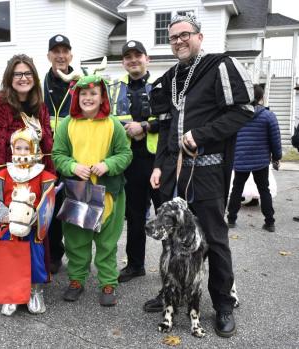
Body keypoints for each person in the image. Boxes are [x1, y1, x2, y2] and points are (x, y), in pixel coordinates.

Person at [144, 14, 254, 337]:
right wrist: (159, 165)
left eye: (184, 35)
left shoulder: (219, 67)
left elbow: (244, 112)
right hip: (177, 174)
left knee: (215, 240)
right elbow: (166, 128)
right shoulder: (170, 79)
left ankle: (222, 304)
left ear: (199, 37)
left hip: (207, 174)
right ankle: (170, 294)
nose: (178, 40)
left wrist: (201, 134)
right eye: (173, 36)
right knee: (173, 241)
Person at [0, 54, 54, 296]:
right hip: (3, 180)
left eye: (27, 74)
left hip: (35, 178)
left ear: (34, 77)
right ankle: (3, 285)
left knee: (31, 230)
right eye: (18, 74)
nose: (23, 78)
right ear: (9, 77)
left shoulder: (40, 107)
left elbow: (48, 145)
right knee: (4, 230)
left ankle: (29, 284)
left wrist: (48, 182)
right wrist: (6, 186)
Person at [52, 74, 132, 306]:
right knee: (76, 239)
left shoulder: (112, 124)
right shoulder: (67, 123)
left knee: (107, 241)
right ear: (76, 96)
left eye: (93, 93)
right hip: (77, 192)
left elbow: (125, 154)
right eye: (83, 93)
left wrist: (108, 164)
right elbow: (58, 155)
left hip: (108, 193)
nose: (88, 98)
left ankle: (108, 282)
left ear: (102, 96)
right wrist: (72, 166)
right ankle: (76, 279)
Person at [0, 127, 56, 316]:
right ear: (12, 149)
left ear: (34, 149)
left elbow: (47, 204)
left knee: (34, 261)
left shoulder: (43, 175)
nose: (22, 152)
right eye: (18, 148)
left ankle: (35, 292)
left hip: (32, 229)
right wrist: (7, 216)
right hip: (9, 228)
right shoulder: (5, 173)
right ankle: (11, 294)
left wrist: (34, 219)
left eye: (26, 148)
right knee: (10, 260)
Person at [109, 40, 161, 282]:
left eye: (137, 55)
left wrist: (145, 126)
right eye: (128, 57)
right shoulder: (114, 88)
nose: (133, 60)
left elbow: (172, 119)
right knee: (135, 215)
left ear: (147, 59)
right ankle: (135, 264)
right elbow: (107, 121)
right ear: (123, 62)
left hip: (158, 161)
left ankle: (171, 265)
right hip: (130, 162)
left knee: (166, 215)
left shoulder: (160, 86)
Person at [227, 84, 282, 232]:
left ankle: (231, 220)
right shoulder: (268, 115)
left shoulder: (238, 115)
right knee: (264, 190)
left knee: (236, 189)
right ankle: (269, 222)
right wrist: (277, 157)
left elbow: (229, 137)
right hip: (261, 161)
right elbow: (275, 139)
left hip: (240, 159)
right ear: (261, 98)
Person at [44, 34, 74, 274]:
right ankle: (54, 253)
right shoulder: (39, 83)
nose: (61, 55)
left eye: (65, 51)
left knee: (75, 206)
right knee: (50, 207)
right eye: (56, 51)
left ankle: (78, 258)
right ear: (49, 56)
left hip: (74, 154)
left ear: (71, 55)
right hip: (45, 156)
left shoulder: (81, 80)